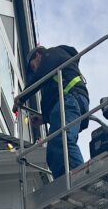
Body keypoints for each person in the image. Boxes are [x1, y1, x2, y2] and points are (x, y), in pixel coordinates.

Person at [21, 44, 89, 179]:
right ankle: (64, 181)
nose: (35, 71)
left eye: (33, 66)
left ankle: (80, 178)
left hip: (70, 100)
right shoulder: (55, 69)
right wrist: (44, 118)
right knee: (53, 150)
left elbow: (40, 74)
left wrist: (21, 98)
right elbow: (53, 97)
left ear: (38, 55)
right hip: (70, 103)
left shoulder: (52, 54)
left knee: (61, 140)